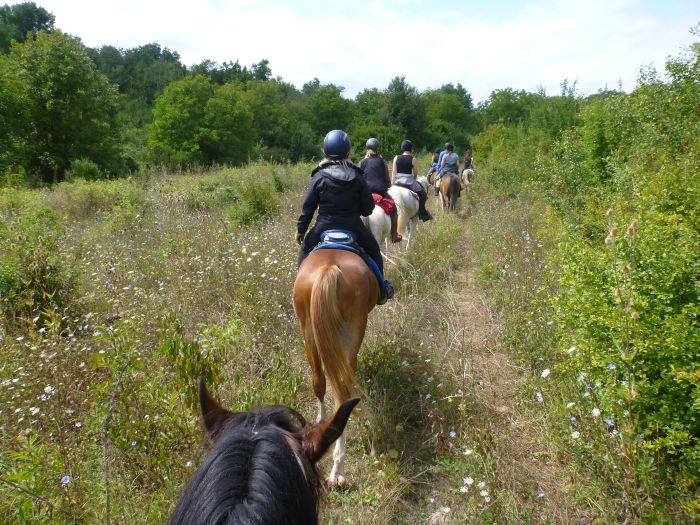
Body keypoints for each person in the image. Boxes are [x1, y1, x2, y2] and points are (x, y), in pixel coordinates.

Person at [296, 129, 395, 303]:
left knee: (304, 250)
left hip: (323, 226)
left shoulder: (318, 176)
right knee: (373, 250)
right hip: (353, 226)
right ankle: (381, 291)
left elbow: (308, 207)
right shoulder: (357, 176)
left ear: (325, 150)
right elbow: (368, 209)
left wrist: (301, 230)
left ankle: (296, 292)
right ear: (347, 150)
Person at [360, 138, 402, 243]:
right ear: (377, 148)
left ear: (367, 148)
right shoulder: (381, 160)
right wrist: (387, 185)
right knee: (394, 210)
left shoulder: (363, 162)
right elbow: (387, 177)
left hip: (366, 193)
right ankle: (394, 235)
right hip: (380, 191)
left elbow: (360, 178)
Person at [391, 139, 432, 221]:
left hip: (397, 182)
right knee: (423, 194)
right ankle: (422, 213)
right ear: (410, 148)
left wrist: (392, 185)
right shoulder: (413, 159)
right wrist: (413, 179)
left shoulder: (396, 158)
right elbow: (415, 173)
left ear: (402, 148)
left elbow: (393, 173)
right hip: (409, 181)